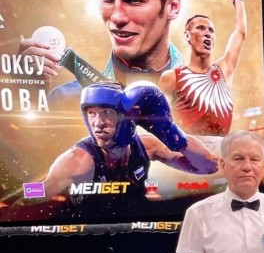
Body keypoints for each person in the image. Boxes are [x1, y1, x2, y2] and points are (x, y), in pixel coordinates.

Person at [20, 0, 184, 109]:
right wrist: (26, 97)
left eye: (133, 0)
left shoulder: (202, 96)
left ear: (172, 6)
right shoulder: (65, 100)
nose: (117, 17)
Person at [43, 81, 217, 219]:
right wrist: (30, 188)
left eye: (107, 112)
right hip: (89, 238)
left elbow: (208, 166)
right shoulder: (78, 161)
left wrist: (171, 132)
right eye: (91, 113)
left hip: (136, 231)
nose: (98, 123)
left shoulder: (147, 146)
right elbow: (38, 192)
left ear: (127, 117)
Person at [159, 0, 247, 136]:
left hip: (221, 146)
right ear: (188, 36)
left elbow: (240, 33)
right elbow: (160, 120)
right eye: (200, 28)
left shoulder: (224, 70)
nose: (207, 33)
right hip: (189, 146)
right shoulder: (171, 77)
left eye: (211, 31)